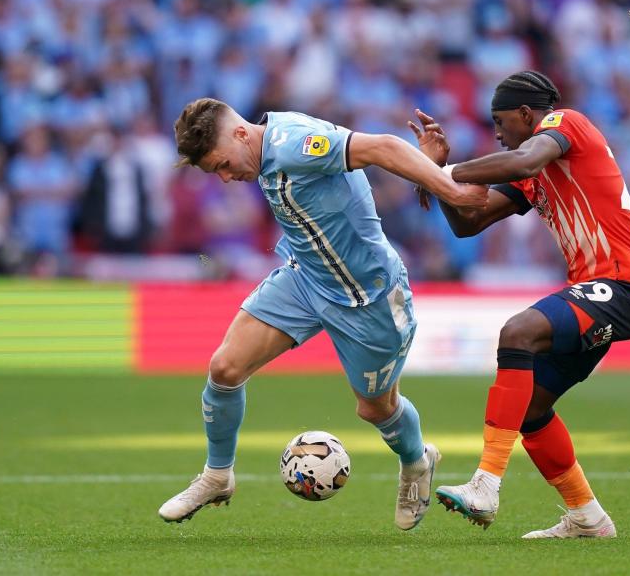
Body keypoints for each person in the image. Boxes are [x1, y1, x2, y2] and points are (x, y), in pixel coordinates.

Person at [157, 98, 488, 530]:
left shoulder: (294, 143)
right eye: (214, 172)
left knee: (375, 409)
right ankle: (218, 476)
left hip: (368, 298)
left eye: (221, 164)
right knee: (225, 367)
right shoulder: (260, 147)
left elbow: (384, 146)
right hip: (305, 280)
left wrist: (454, 190)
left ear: (240, 134)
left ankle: (416, 460)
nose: (225, 177)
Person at [409, 71, 630, 539]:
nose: (498, 133)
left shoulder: (568, 123)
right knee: (530, 410)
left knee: (518, 332)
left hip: (625, 286)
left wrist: (444, 172)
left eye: (501, 122)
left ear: (528, 115)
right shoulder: (533, 171)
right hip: (598, 292)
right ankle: (587, 517)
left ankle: (486, 484)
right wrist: (439, 175)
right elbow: (470, 223)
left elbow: (523, 161)